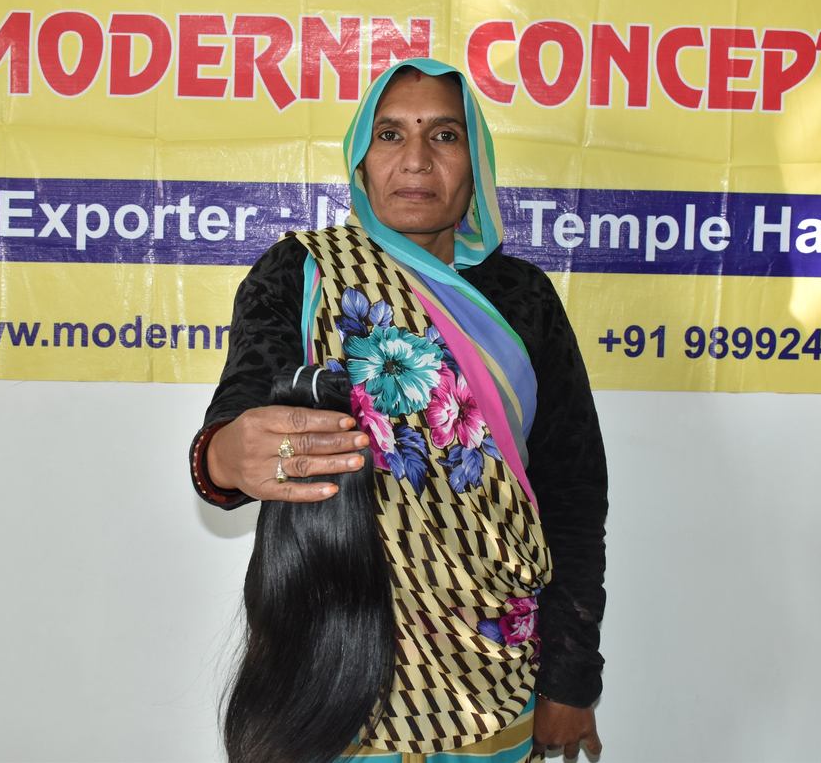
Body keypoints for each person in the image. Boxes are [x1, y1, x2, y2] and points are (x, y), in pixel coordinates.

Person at [189, 58, 608, 762]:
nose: (415, 160)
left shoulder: (523, 298)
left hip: (494, 673)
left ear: (476, 162)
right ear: (360, 160)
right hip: (330, 666)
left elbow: (572, 496)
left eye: (444, 135)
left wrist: (571, 679)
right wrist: (227, 457)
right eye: (389, 135)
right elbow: (233, 433)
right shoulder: (301, 274)